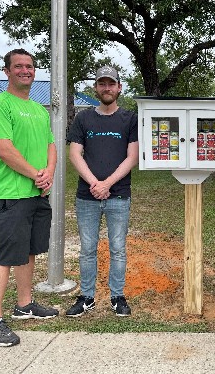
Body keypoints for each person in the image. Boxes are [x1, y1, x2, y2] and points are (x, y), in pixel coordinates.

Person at [0, 48, 59, 347]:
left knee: (28, 250)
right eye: (19, 66)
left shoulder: (39, 110)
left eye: (29, 66)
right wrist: (34, 174)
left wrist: (48, 173)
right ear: (7, 71)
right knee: (4, 255)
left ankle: (24, 305)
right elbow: (3, 148)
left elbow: (51, 145)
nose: (25, 70)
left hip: (36, 194)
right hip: (9, 194)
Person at [66, 66, 139, 317]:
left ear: (119, 87)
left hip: (118, 194)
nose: (106, 88)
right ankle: (87, 296)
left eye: (111, 84)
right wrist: (94, 184)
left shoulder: (130, 119)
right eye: (101, 84)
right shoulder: (83, 118)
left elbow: (133, 157)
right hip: (87, 197)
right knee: (87, 248)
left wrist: (107, 184)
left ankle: (117, 296)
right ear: (96, 88)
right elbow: (75, 154)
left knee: (117, 247)